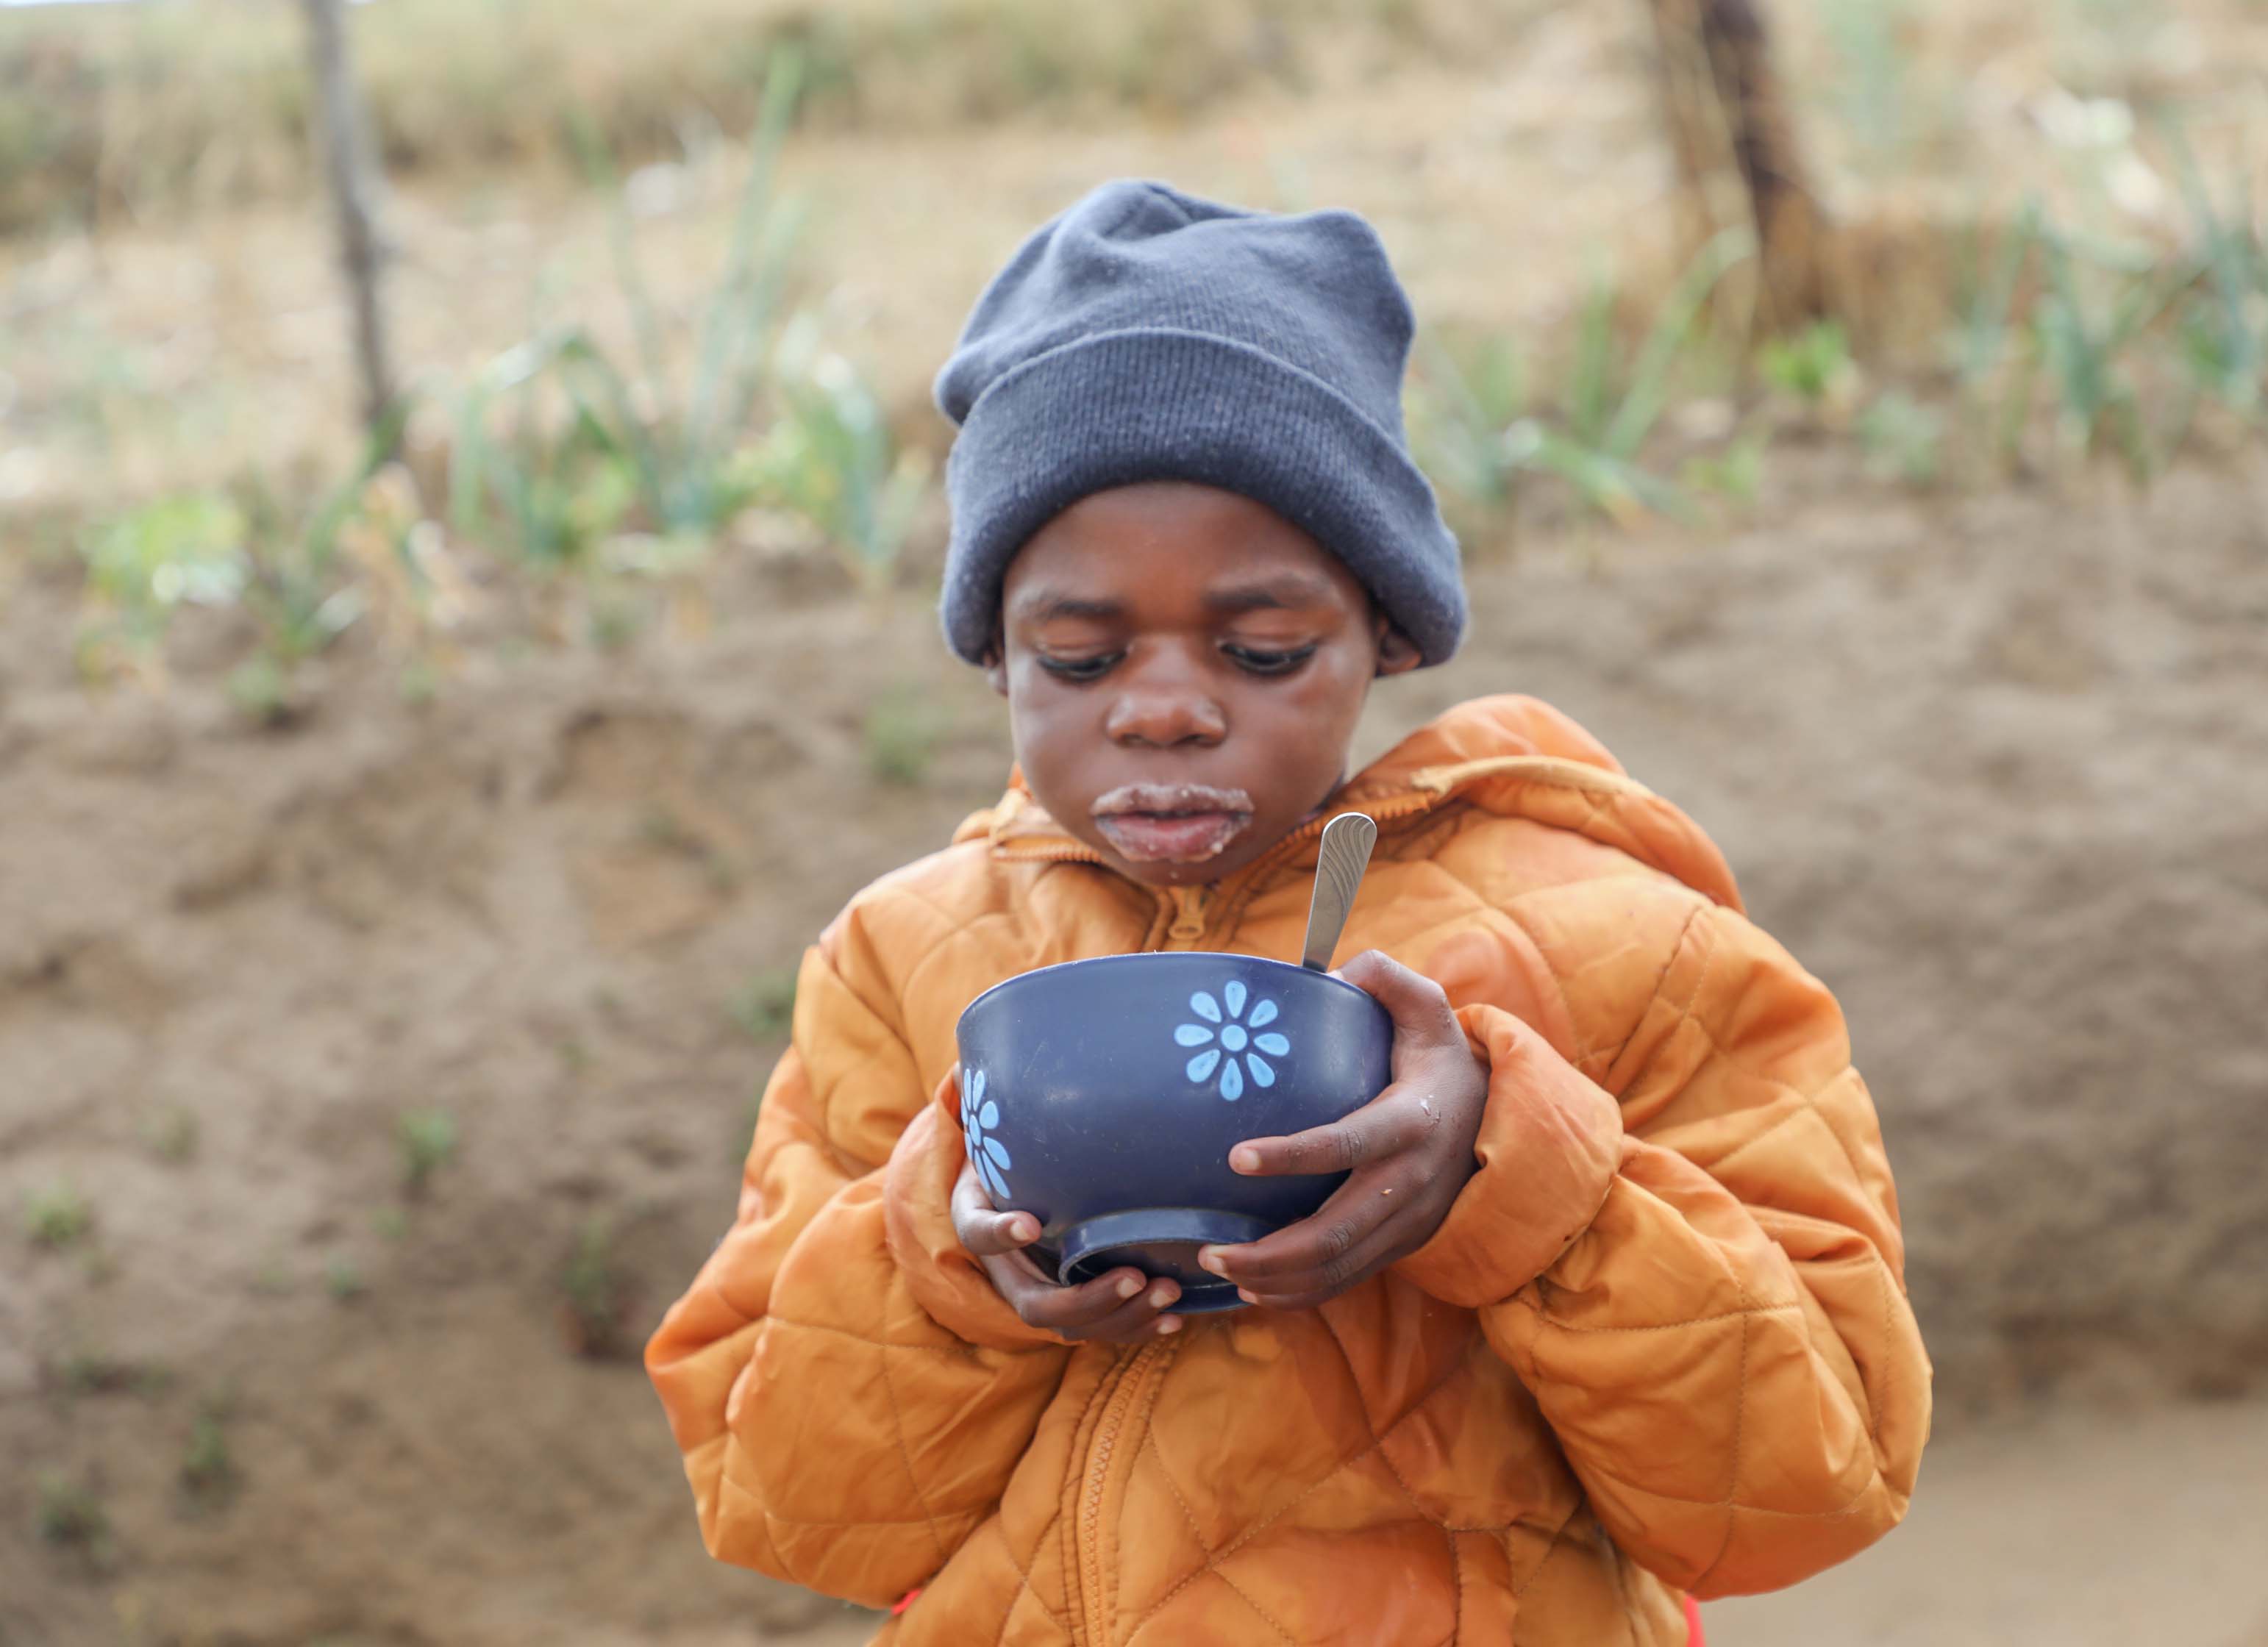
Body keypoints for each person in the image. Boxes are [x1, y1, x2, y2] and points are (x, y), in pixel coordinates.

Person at [645, 179, 1929, 1645]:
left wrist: (1518, 1178)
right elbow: (785, 1508)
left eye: (1261, 650)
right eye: (1078, 656)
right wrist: (946, 1262)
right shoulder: (899, 967)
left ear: (1382, 628)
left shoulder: (1624, 939)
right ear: (992, 653)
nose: (1170, 710)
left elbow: (1814, 1481)